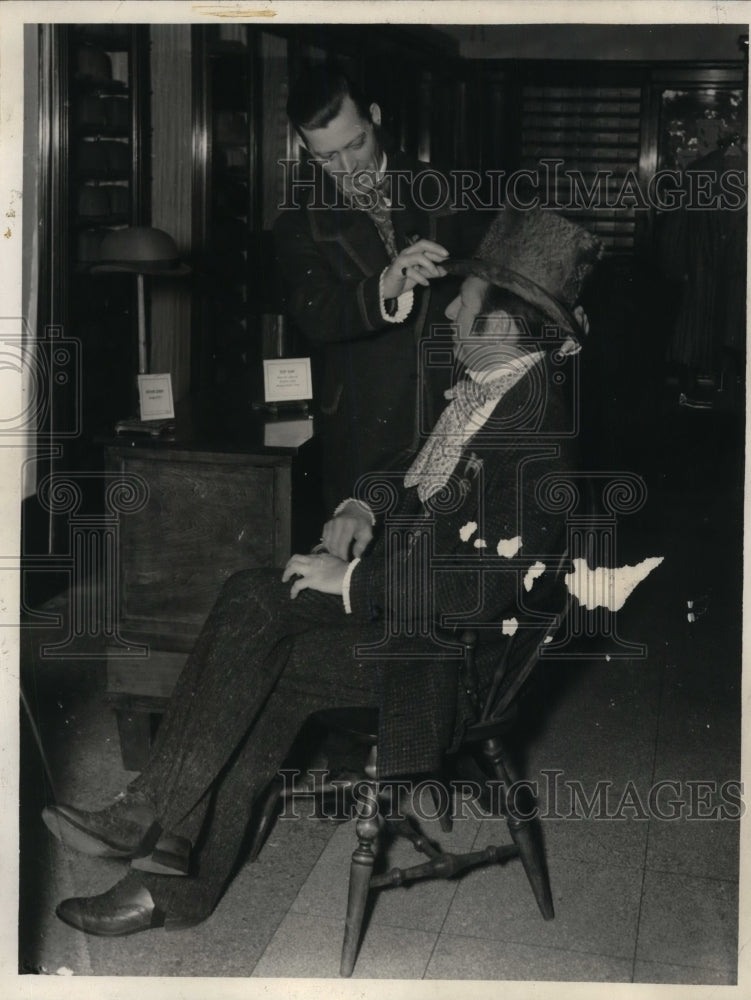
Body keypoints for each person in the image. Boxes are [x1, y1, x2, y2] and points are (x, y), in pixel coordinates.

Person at [41, 206, 603, 937]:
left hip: (448, 661)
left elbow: (482, 590)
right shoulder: (493, 392)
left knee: (264, 654)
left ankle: (159, 838)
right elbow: (412, 467)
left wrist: (352, 583)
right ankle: (162, 834)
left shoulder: (535, 436)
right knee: (254, 605)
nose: (450, 320)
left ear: (499, 329)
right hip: (411, 609)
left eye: (461, 307)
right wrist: (361, 507)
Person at [274, 64, 480, 512]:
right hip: (362, 428)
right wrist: (385, 284)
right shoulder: (298, 222)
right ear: (305, 149)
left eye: (355, 144)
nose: (347, 168)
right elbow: (316, 311)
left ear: (375, 117)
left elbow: (492, 273)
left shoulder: (446, 187)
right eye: (327, 157)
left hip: (453, 409)